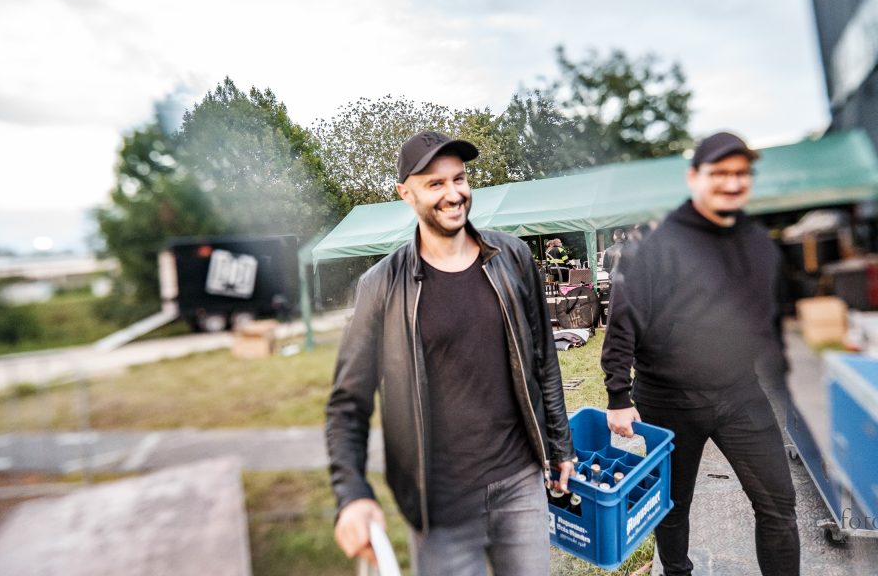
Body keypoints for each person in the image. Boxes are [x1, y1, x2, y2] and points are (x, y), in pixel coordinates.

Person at [325, 130, 576, 576]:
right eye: (435, 184)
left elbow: (544, 360)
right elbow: (348, 402)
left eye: (459, 179)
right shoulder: (381, 286)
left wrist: (560, 446)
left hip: (520, 482)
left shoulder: (513, 258)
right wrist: (352, 494)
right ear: (406, 194)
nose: (454, 194)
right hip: (439, 503)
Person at [600, 131, 799, 576]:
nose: (731, 182)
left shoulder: (754, 243)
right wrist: (618, 395)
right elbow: (622, 323)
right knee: (672, 506)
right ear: (695, 178)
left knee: (779, 506)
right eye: (719, 172)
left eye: (740, 173)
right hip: (667, 400)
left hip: (739, 393)